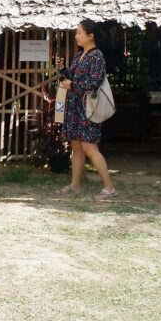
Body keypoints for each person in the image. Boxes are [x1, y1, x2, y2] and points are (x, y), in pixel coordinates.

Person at [54, 19, 117, 199]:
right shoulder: (79, 55)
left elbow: (94, 82)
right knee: (76, 147)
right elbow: (72, 78)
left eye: (79, 32)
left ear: (91, 36)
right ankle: (75, 185)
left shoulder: (97, 56)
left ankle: (109, 188)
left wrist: (73, 86)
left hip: (88, 108)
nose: (76, 36)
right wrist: (63, 69)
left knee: (90, 148)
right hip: (75, 108)